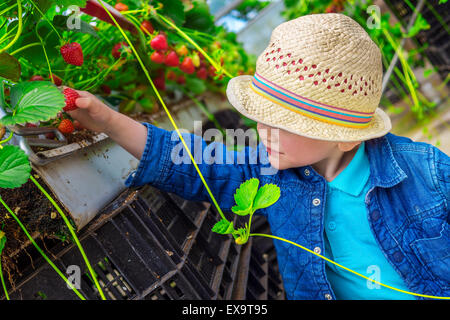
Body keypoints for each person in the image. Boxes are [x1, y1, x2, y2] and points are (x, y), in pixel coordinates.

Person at [67, 13, 449, 300]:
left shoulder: (428, 171)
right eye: (262, 117)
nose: (265, 131)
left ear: (345, 138)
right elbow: (196, 161)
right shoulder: (273, 173)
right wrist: (108, 121)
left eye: (284, 123)